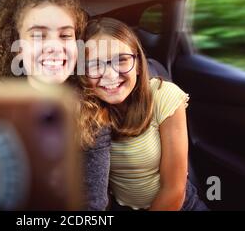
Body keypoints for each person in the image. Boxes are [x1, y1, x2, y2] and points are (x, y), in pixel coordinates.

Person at [0, 0, 111, 210]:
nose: (55, 47)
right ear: (16, 45)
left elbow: (92, 207)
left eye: (66, 36)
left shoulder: (92, 115)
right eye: (38, 36)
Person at [78, 17, 208, 211]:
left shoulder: (164, 96)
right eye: (95, 65)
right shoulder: (86, 110)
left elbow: (174, 189)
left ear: (138, 64)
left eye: (121, 60)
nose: (111, 75)